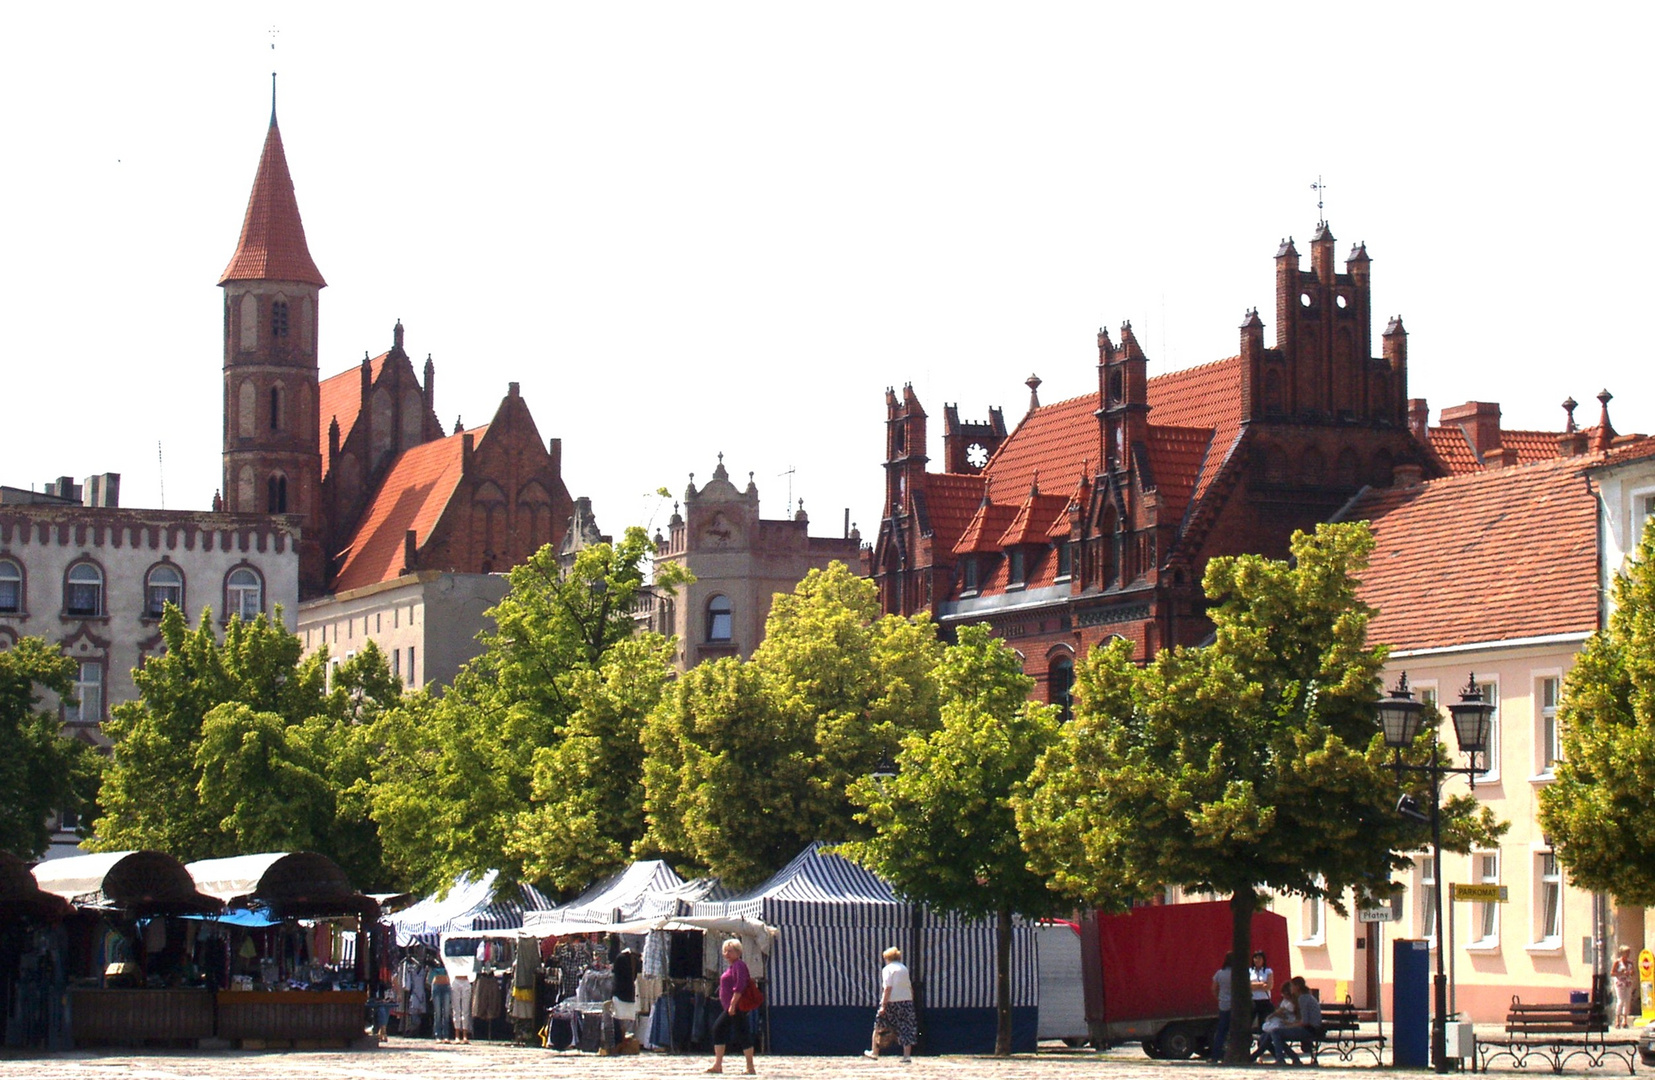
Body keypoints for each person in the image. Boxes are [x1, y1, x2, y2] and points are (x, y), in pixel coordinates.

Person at [708, 938, 755, 1075]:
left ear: (738, 952)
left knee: (721, 1029)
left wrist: (733, 1004)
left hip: (736, 1006)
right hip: (730, 1006)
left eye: (731, 951)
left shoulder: (739, 965)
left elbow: (740, 986)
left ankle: (748, 1066)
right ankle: (719, 1065)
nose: (727, 954)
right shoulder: (732, 966)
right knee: (739, 1032)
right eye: (725, 951)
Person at [865, 946, 917, 1064]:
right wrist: (911, 999)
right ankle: (907, 1055)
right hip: (906, 1000)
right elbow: (909, 986)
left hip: (892, 1001)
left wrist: (883, 1004)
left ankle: (874, 1051)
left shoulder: (887, 969)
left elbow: (888, 987)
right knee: (906, 1027)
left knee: (879, 1025)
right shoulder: (904, 968)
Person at [1266, 976, 1323, 1066]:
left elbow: (1304, 1021)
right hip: (1311, 1028)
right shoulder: (1306, 997)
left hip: (1310, 1030)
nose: (1290, 988)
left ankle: (1281, 1059)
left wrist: (1289, 1026)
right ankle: (1293, 1058)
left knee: (1276, 1032)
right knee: (1274, 1034)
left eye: (1292, 986)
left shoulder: (1303, 998)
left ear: (1297, 987)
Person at [1255, 979, 1300, 1065]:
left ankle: (1280, 1058)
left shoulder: (1292, 1003)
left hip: (1288, 1025)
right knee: (1265, 1037)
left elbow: (1280, 1011)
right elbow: (1279, 1012)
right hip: (1282, 1023)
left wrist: (1272, 1016)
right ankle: (1289, 1057)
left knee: (1271, 1035)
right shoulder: (1285, 1001)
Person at [1210, 952, 1235, 1062]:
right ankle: (1232, 1055)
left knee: (1221, 1032)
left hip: (1223, 1005)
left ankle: (1215, 1055)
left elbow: (1214, 988)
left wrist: (1219, 998)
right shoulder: (1237, 974)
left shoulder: (1219, 973)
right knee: (1235, 1031)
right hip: (1235, 1006)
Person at [1249, 951, 1276, 1031]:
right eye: (1255, 958)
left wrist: (1254, 985)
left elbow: (1269, 986)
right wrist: (1262, 984)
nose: (1257, 960)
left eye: (1260, 958)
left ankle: (1263, 1042)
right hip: (1253, 1001)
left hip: (1264, 1000)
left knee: (1263, 1024)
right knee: (1248, 1023)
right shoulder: (1249, 971)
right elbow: (1248, 986)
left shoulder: (1268, 971)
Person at [1612, 945, 1637, 1028]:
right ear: (1622, 953)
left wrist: (1631, 972)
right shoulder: (1617, 962)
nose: (1628, 954)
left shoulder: (1630, 963)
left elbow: (1633, 972)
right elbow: (1612, 973)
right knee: (1620, 1000)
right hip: (1620, 983)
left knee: (1627, 1001)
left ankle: (1625, 1020)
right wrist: (1621, 973)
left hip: (1628, 983)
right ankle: (1617, 1020)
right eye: (1626, 952)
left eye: (1628, 952)